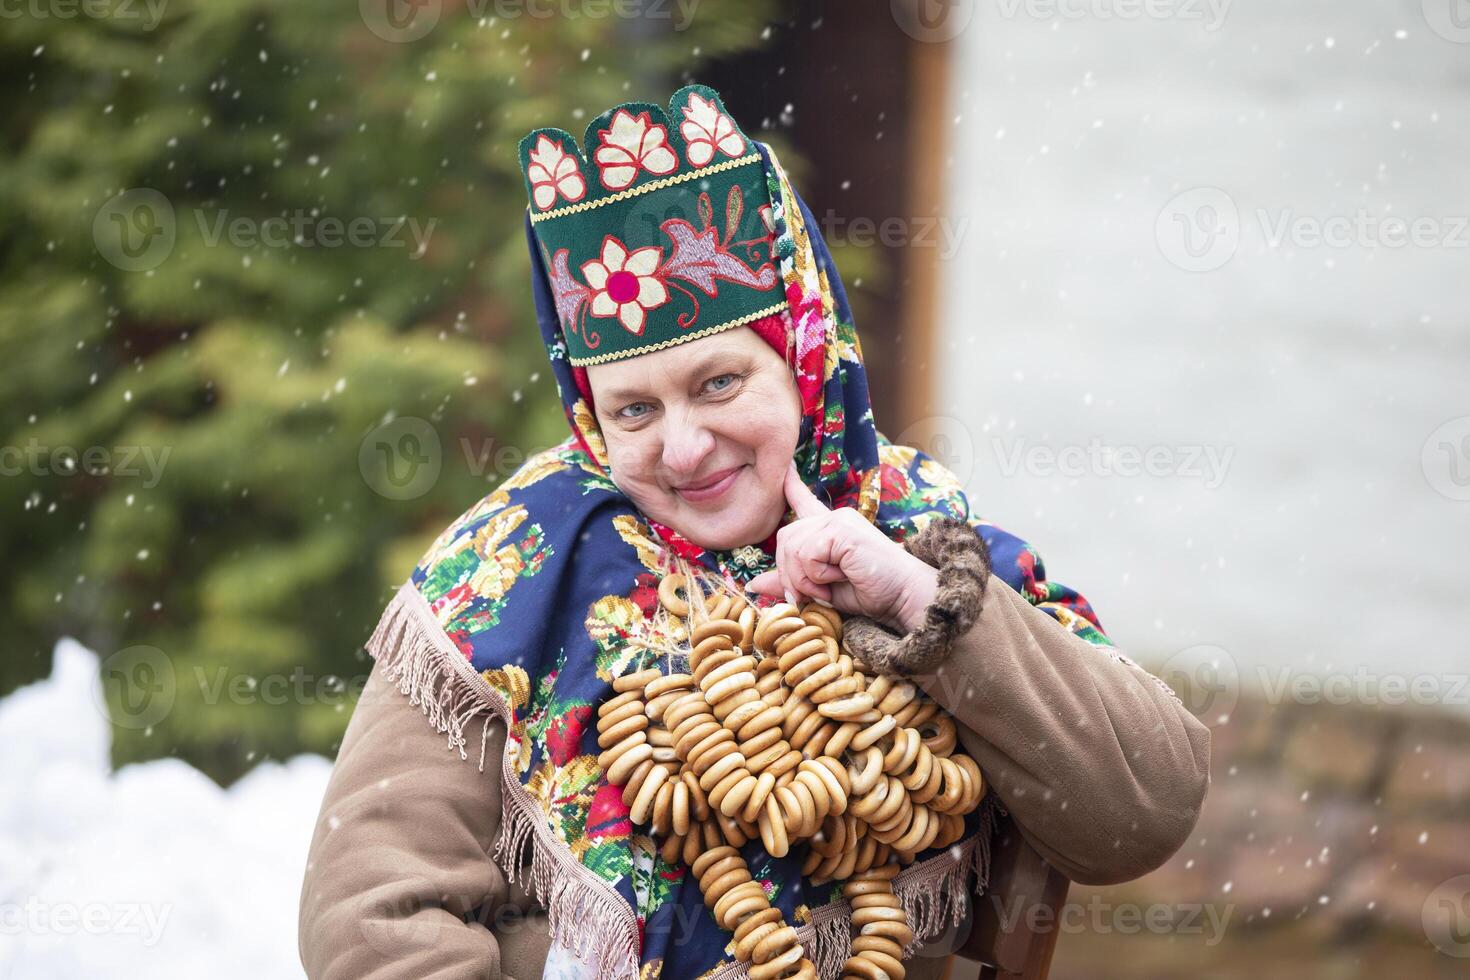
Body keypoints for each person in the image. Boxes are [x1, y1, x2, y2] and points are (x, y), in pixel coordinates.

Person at [297, 85, 1210, 980]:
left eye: (721, 383)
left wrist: (911, 601)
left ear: (805, 361)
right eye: (635, 409)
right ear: (590, 417)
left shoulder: (916, 529)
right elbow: (373, 915)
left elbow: (1144, 811)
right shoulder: (517, 563)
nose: (684, 448)